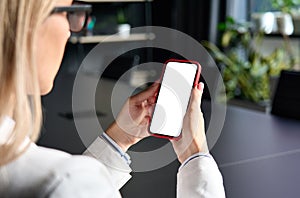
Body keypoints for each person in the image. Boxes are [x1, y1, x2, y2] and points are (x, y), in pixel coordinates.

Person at [0, 0, 225, 197]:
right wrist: (195, 157)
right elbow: (68, 187)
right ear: (26, 24)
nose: (71, 30)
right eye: (68, 13)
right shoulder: (62, 181)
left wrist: (118, 139)